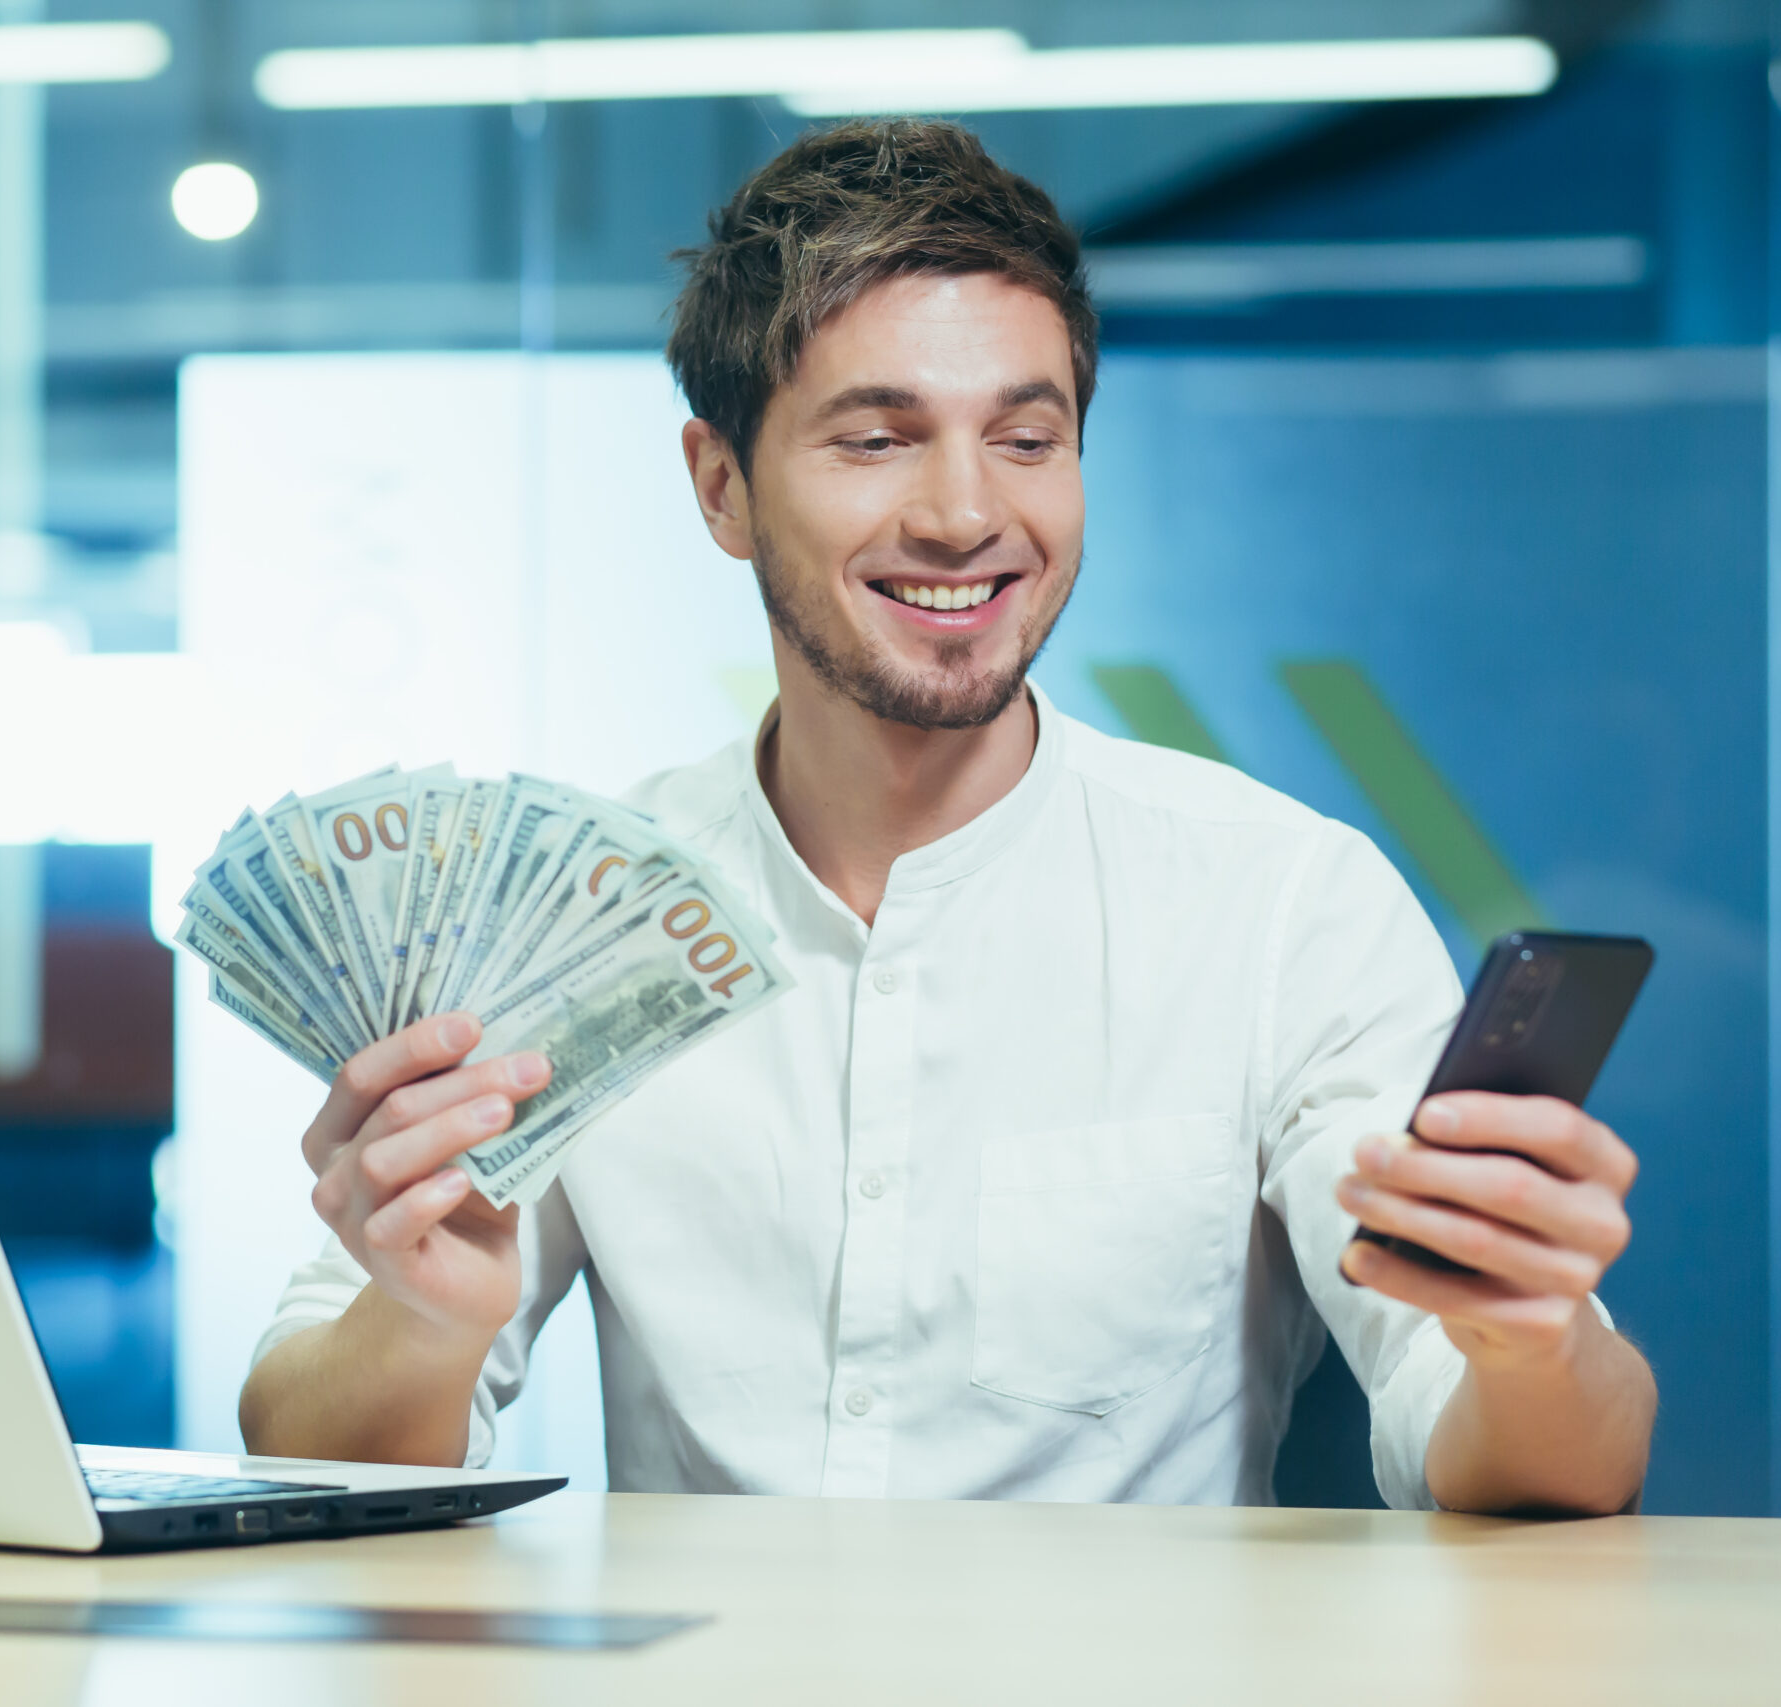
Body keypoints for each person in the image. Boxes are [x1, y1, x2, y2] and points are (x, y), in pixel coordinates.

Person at [239, 118, 1656, 1514]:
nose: (967, 513)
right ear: (721, 486)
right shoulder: (573, 932)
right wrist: (423, 1326)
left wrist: (1527, 1339)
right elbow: (302, 1442)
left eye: (1027, 438)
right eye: (877, 439)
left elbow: (1525, 1463)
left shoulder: (1283, 904)